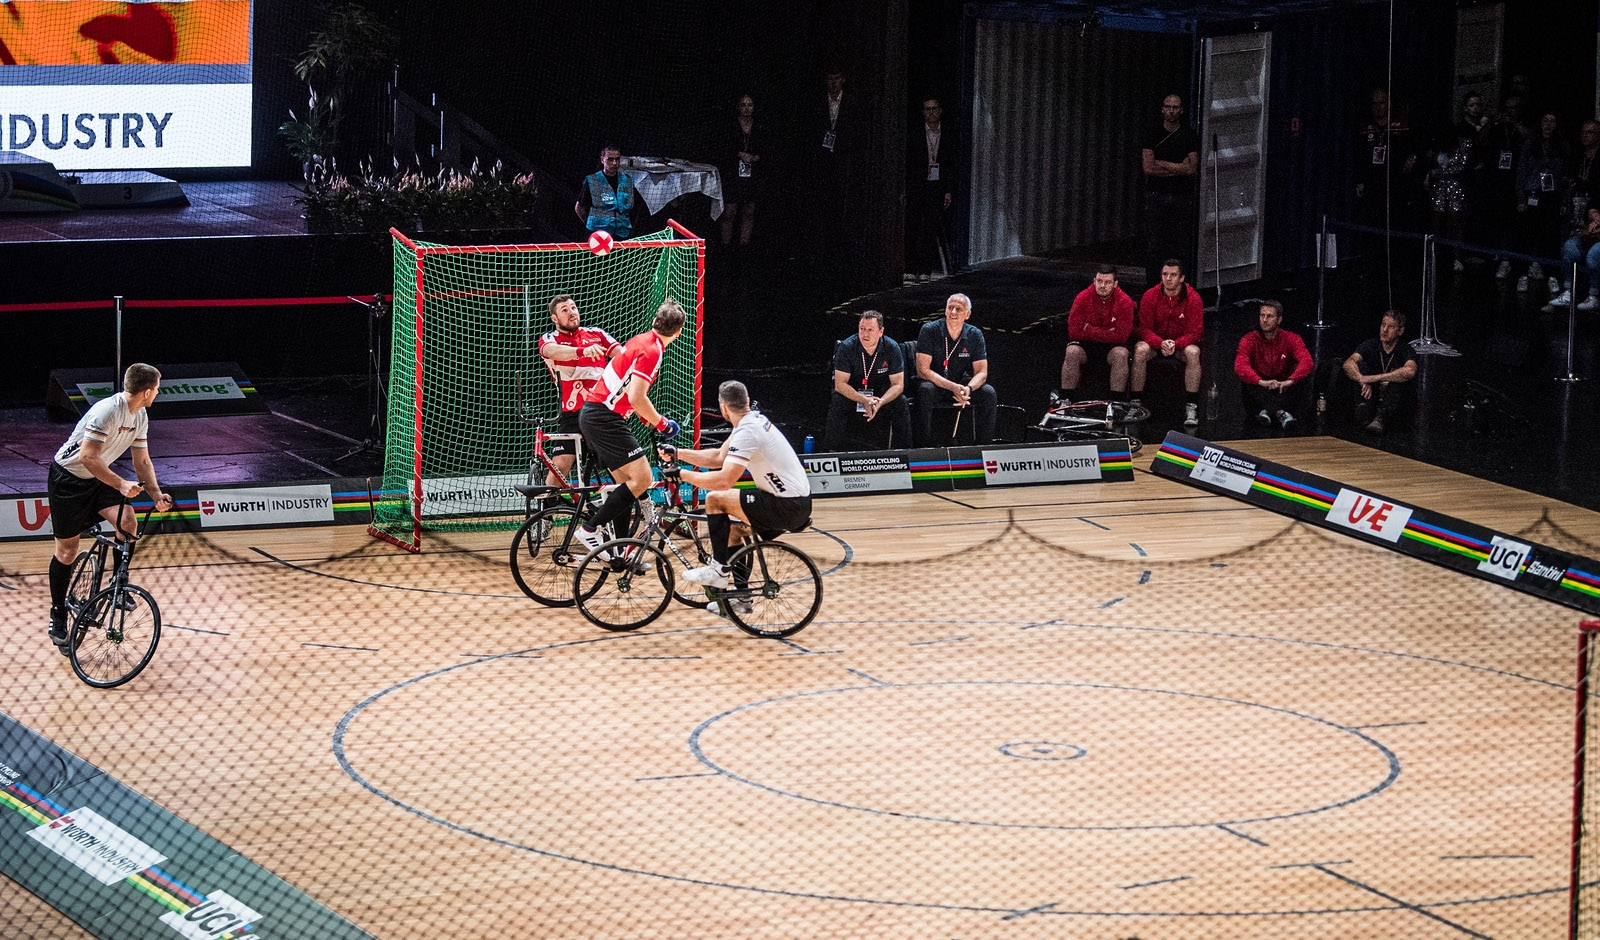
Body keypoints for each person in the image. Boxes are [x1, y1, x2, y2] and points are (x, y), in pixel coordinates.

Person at [45, 362, 173, 653]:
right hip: (69, 479)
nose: (158, 394)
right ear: (147, 391)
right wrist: (120, 484)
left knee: (128, 521)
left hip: (99, 476)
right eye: (157, 390)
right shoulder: (107, 411)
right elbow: (88, 457)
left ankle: (118, 585)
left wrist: (155, 494)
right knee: (67, 551)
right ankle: (58, 613)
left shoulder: (140, 415)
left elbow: (142, 461)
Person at [670, 380, 812, 617]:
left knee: (716, 499)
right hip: (792, 501)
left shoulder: (748, 431)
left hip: (785, 505)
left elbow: (724, 480)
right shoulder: (750, 421)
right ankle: (741, 598)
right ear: (746, 401)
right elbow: (717, 457)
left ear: (722, 407)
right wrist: (678, 453)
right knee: (733, 532)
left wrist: (682, 474)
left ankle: (718, 571)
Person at [572, 299, 686, 557]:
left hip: (595, 414)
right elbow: (637, 397)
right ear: (678, 332)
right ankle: (590, 530)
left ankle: (619, 551)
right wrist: (662, 423)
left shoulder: (641, 340)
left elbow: (625, 391)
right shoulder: (653, 350)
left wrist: (645, 416)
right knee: (643, 478)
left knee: (625, 484)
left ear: (656, 321)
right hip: (604, 417)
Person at [538, 293, 622, 488]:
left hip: (601, 412)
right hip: (572, 414)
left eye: (573, 308)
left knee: (620, 466)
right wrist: (581, 351)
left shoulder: (597, 334)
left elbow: (622, 355)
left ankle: (637, 506)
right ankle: (546, 514)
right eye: (564, 310)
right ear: (554, 318)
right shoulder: (550, 338)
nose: (571, 313)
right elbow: (551, 351)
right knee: (560, 465)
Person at [914, 293, 997, 444]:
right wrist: (952, 387)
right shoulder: (929, 330)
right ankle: (922, 446)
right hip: (934, 382)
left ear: (967, 314)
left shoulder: (975, 334)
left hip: (959, 384)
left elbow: (982, 372)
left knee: (988, 393)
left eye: (958, 309)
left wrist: (968, 389)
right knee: (924, 390)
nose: (952, 312)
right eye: (950, 308)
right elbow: (922, 370)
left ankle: (983, 446)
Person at [824, 310, 911, 451]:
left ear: (881, 331)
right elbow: (840, 384)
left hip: (880, 393)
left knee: (901, 401)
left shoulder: (892, 347)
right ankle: (831, 451)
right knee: (838, 399)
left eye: (870, 330)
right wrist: (863, 400)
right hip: (854, 390)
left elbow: (898, 385)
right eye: (862, 329)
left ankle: (906, 452)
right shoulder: (846, 347)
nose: (865, 334)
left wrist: (881, 401)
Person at [1132, 259, 1204, 427]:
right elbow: (1143, 328)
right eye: (1165, 274)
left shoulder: (1193, 298)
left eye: (1173, 275)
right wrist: (1160, 343)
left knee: (1194, 353)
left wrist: (1175, 344)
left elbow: (1196, 331)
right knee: (1140, 350)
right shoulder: (1150, 295)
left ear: (1182, 278)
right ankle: (1135, 404)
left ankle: (1191, 407)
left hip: (1180, 344)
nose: (1168, 279)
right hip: (1156, 343)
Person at [1141, 93, 1199, 284]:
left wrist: (1162, 163)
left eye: (1175, 107)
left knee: (1181, 244)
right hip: (1156, 195)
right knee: (1155, 245)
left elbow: (1192, 168)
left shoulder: (1188, 135)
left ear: (1181, 110)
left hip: (1181, 196)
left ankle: (1180, 286)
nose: (1172, 110)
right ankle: (1152, 287)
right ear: (1162, 109)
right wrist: (1178, 167)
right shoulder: (1152, 133)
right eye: (1168, 107)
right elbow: (1148, 168)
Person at [1234, 299, 1314, 431]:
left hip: (1283, 387)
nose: (1264, 320)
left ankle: (1268, 410)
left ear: (1279, 320)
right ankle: (1280, 412)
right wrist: (1260, 382)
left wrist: (1290, 381)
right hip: (1260, 389)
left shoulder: (1291, 338)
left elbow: (1307, 361)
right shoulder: (1249, 339)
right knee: (1246, 376)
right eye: (1262, 315)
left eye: (1270, 316)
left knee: (1303, 374)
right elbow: (1240, 365)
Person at [1059, 265, 1134, 404]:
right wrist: (1107, 332)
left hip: (1111, 347)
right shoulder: (1082, 298)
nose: (1102, 286)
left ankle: (1116, 403)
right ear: (1094, 281)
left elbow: (1122, 336)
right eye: (1099, 281)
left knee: (1121, 354)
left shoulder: (1125, 302)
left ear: (1115, 284)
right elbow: (1074, 332)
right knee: (1072, 351)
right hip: (1086, 346)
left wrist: (1089, 329)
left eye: (1107, 282)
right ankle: (1066, 399)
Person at [1341, 310, 1417, 434]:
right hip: (1373, 395)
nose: (1385, 330)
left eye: (1391, 327)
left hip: (1394, 403)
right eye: (1383, 325)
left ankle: (1381, 418)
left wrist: (1374, 378)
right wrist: (1361, 379)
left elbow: (1410, 371)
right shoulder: (1370, 345)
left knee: (1398, 376)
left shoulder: (1405, 350)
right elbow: (1348, 363)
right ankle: (1365, 411)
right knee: (1359, 366)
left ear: (1400, 331)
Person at [906, 97, 956, 282]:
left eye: (934, 109)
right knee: (913, 226)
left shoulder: (947, 134)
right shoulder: (916, 133)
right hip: (919, 184)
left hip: (936, 186)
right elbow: (909, 162)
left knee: (930, 228)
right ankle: (910, 267)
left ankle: (925, 268)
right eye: (927, 109)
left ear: (940, 111)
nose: (931, 112)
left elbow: (950, 164)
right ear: (923, 112)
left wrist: (948, 190)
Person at [720, 94, 761, 247]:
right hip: (733, 173)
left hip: (752, 173)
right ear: (738, 107)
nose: (746, 108)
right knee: (729, 212)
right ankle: (725, 247)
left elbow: (767, 149)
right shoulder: (731, 126)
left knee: (749, 211)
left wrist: (754, 157)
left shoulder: (759, 126)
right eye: (743, 105)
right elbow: (723, 148)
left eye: (749, 105)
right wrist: (739, 154)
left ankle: (744, 247)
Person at [574, 144, 636, 240]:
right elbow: (579, 208)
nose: (614, 163)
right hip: (597, 235)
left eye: (617, 159)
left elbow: (631, 209)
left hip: (622, 234)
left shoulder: (627, 180)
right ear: (602, 160)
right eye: (610, 159)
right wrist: (591, 224)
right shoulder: (592, 180)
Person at [1547, 206, 1600, 312]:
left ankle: (1594, 296)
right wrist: (1592, 215)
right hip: (1591, 234)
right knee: (1569, 247)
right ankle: (1568, 292)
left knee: (1593, 255)